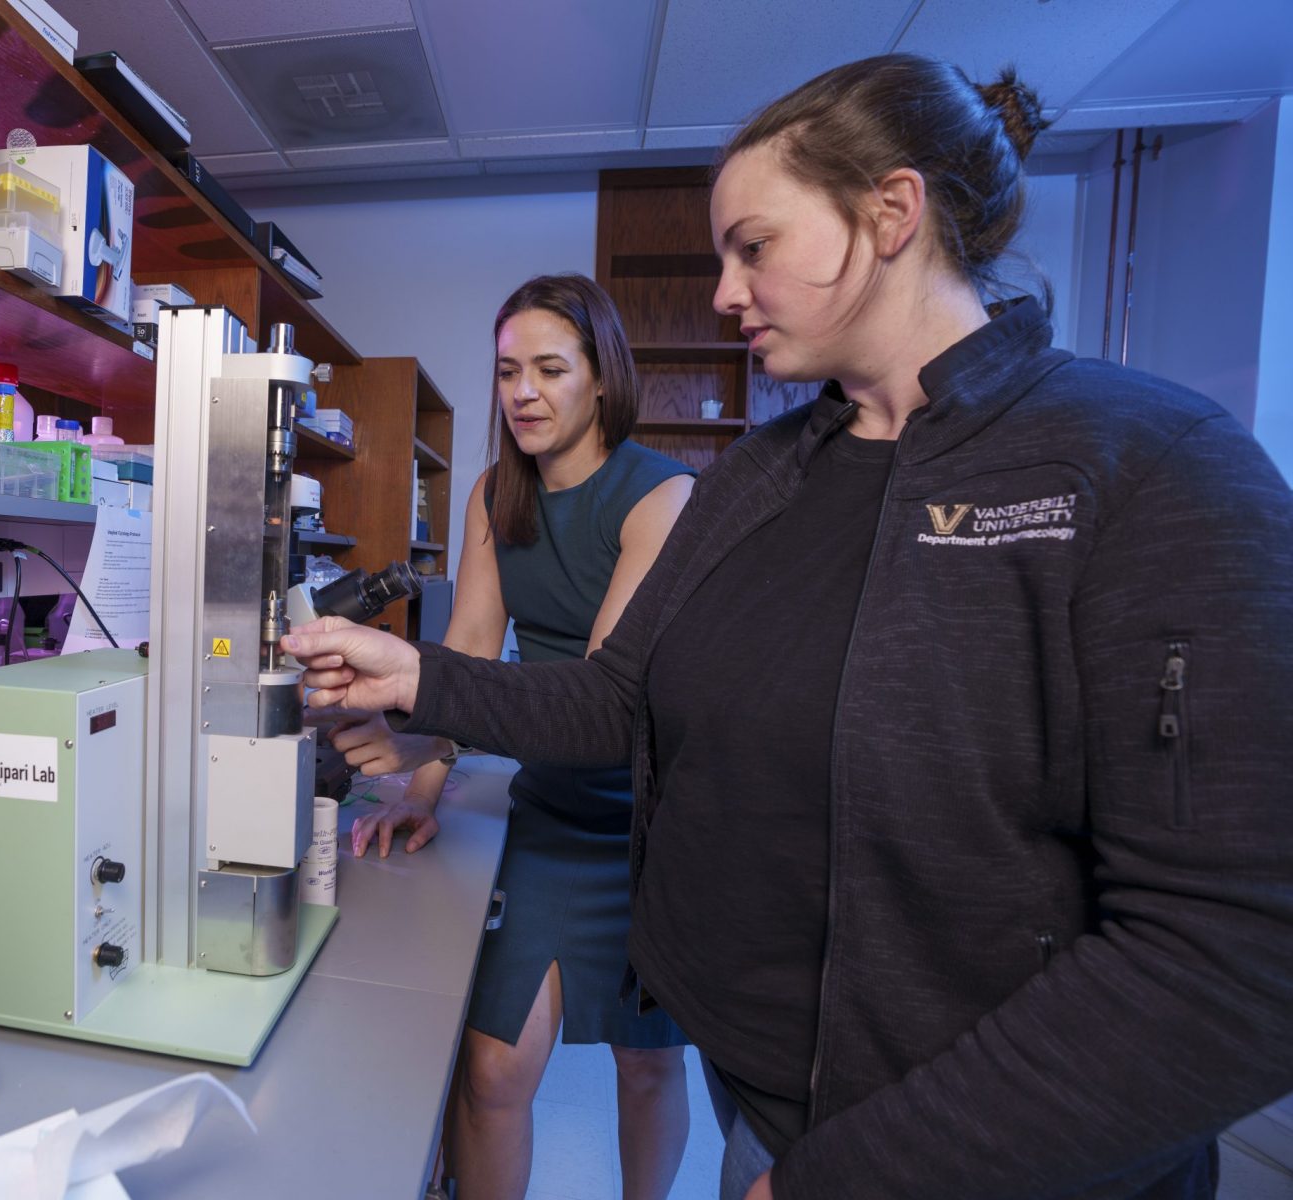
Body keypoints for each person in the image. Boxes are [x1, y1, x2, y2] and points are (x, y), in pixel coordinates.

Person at [285, 53, 1293, 1200]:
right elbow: (618, 699)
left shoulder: (1151, 466)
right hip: (762, 1109)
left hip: (982, 1159)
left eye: (753, 247)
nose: (725, 292)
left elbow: (1239, 953)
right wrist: (418, 679)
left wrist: (845, 1178)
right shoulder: (761, 480)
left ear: (891, 214)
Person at [322, 273, 696, 1200]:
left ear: (602, 377)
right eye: (506, 372)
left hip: (651, 825)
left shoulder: (662, 497)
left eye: (550, 369)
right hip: (551, 813)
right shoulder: (497, 493)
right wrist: (423, 785)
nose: (523, 392)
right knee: (493, 1070)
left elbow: (597, 701)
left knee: (646, 1063)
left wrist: (425, 734)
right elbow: (470, 652)